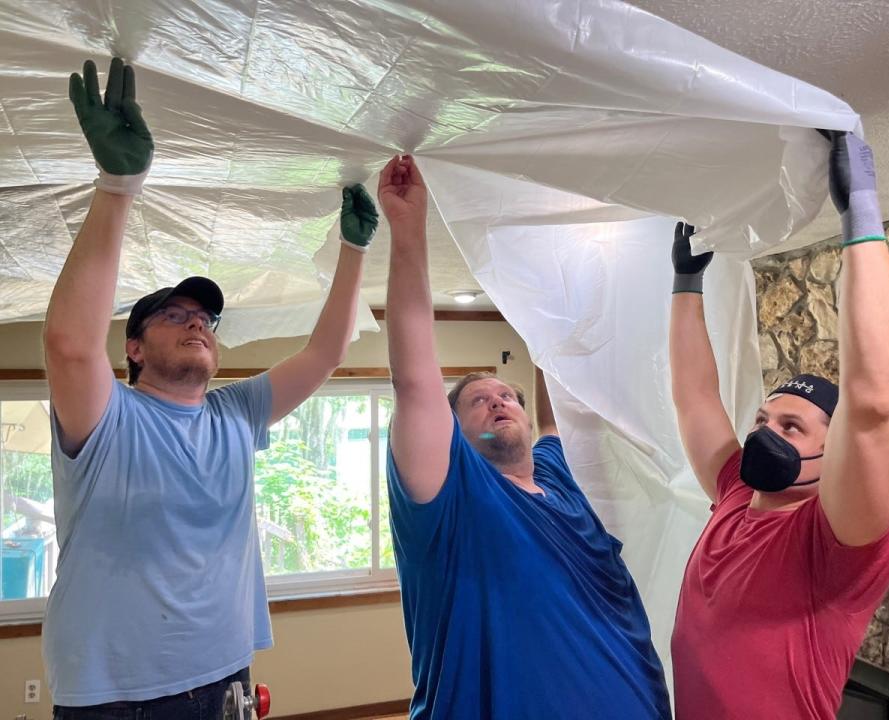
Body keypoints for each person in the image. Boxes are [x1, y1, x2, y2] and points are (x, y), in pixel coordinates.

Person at [42, 58, 377, 719]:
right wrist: (118, 186)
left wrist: (355, 249)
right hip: (119, 696)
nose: (197, 322)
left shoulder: (235, 413)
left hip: (226, 678)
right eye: (175, 315)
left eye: (204, 319)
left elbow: (326, 351)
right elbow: (69, 346)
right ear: (134, 348)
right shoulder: (108, 417)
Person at [379, 154, 671, 719]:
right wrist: (409, 229)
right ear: (453, 433)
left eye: (506, 395)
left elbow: (554, 408)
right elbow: (414, 381)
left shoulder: (556, 475)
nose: (498, 401)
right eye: (477, 400)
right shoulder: (451, 498)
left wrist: (542, 329)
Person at [668, 131, 889, 719]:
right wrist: (686, 283)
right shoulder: (735, 491)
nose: (765, 433)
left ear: (836, 460)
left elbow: (874, 404)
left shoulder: (836, 545)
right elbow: (696, 397)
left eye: (792, 428)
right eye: (763, 418)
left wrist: (862, 216)